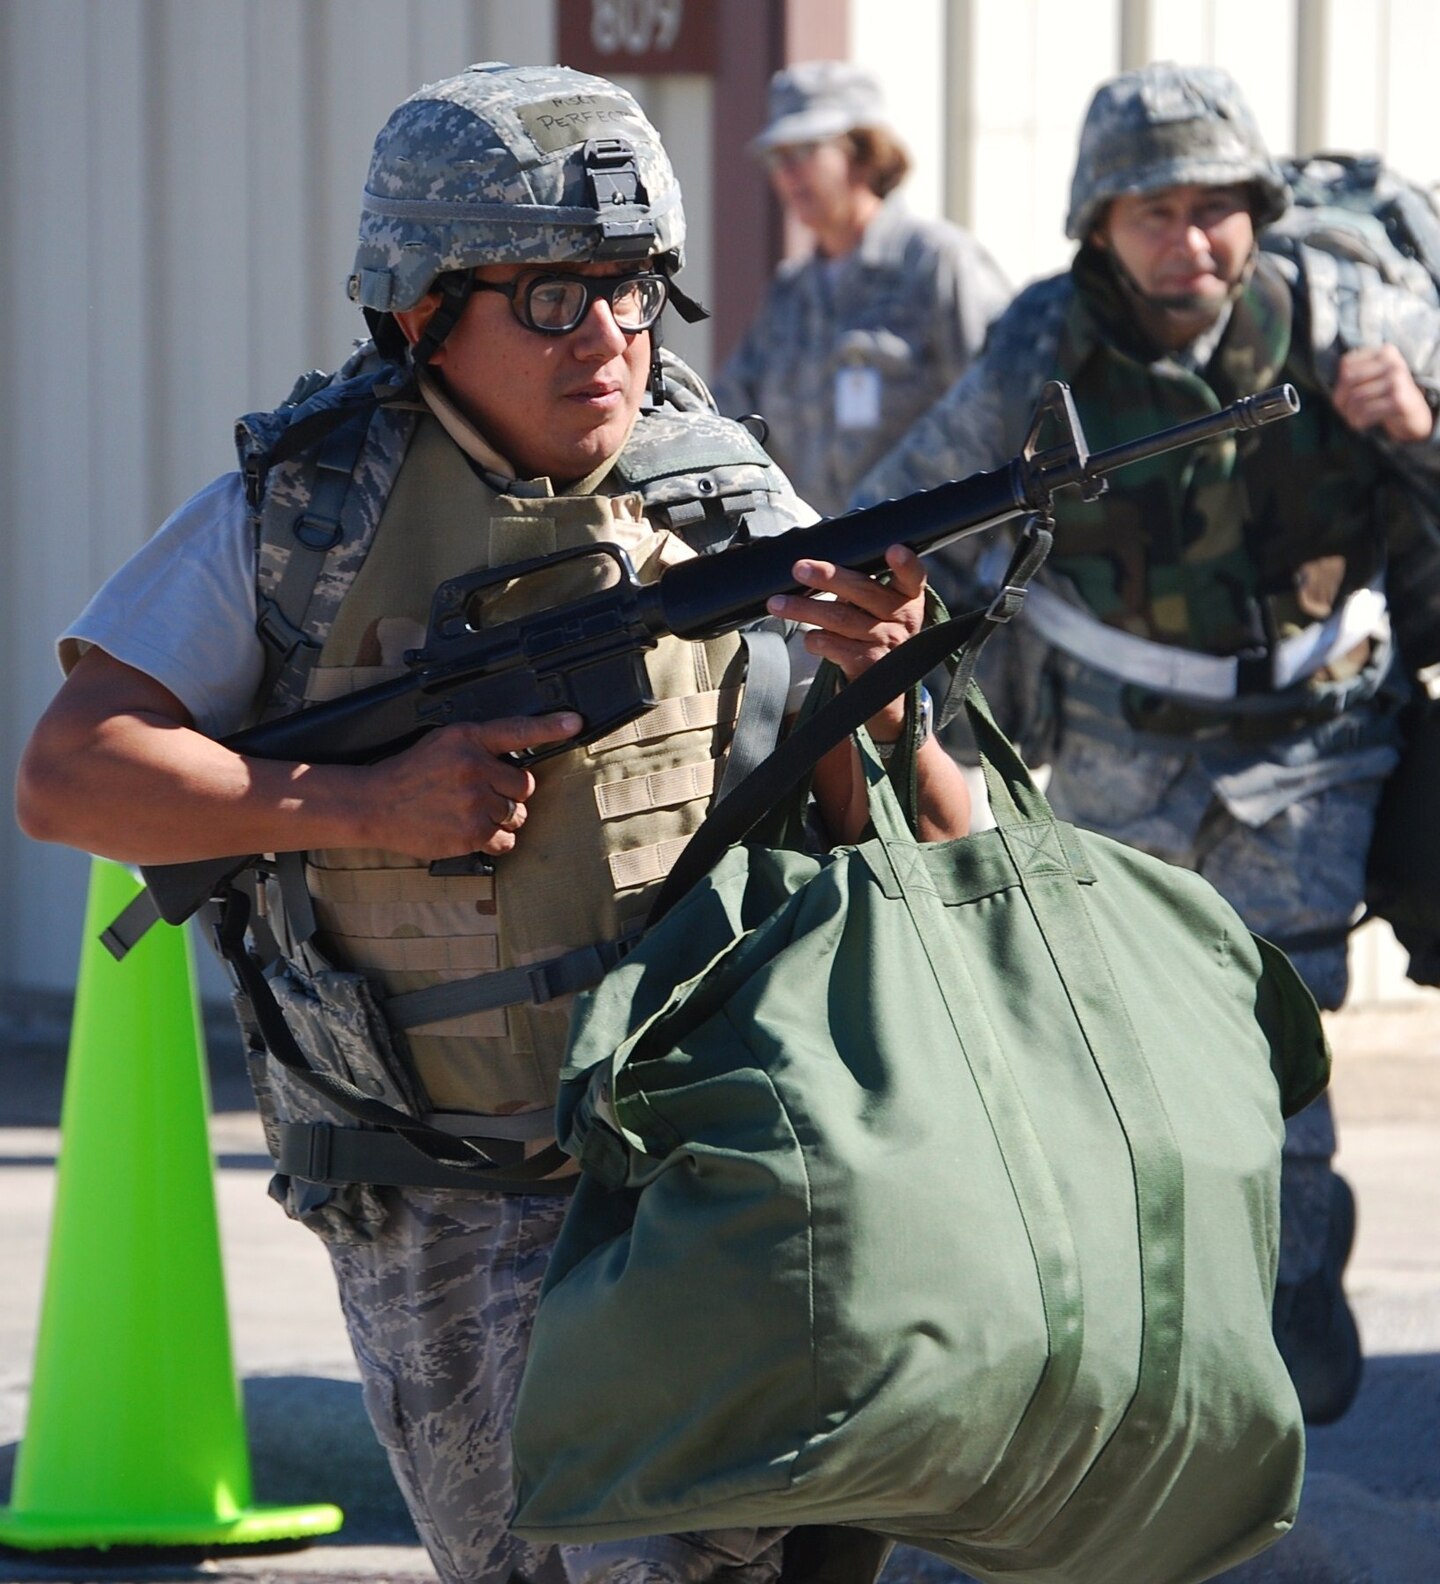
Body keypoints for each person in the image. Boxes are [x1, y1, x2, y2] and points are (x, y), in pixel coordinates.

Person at [15, 63, 967, 1584]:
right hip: (448, 1198)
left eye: (634, 288)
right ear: (420, 311)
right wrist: (362, 804)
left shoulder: (724, 495)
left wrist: (886, 690)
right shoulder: (300, 521)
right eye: (548, 298)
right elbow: (70, 774)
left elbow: (940, 848)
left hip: (702, 1162)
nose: (608, 339)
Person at [853, 62, 1440, 1424]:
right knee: (1125, 1038)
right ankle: (1153, 1327)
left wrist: (1421, 411)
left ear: (1260, 208)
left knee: (1272, 1017)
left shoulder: (1350, 307)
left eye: (1219, 208)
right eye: (1155, 212)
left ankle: (1298, 1289)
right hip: (1122, 732)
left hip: (1314, 736)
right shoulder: (1042, 344)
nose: (1193, 240)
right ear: (1098, 223)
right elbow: (918, 509)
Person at [710, 61, 1011, 516]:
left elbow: (1004, 410)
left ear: (864, 153)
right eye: (778, 157)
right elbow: (725, 422)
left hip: (937, 570)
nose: (788, 174)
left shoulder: (937, 265)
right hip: (823, 568)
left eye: (806, 151)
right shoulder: (790, 295)